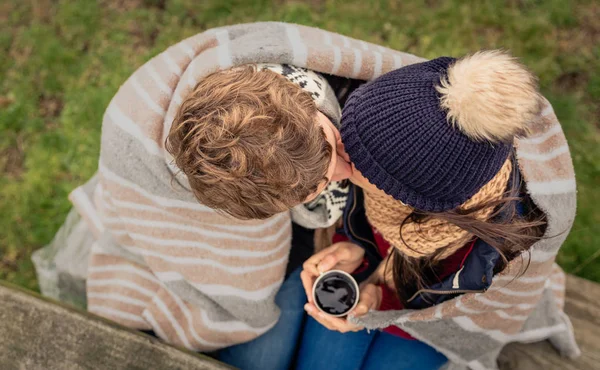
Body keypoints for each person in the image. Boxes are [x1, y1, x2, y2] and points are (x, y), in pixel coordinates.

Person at [296, 50, 578, 369]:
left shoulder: (493, 251)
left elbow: (456, 317)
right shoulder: (385, 175)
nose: (334, 161)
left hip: (427, 325)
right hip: (377, 292)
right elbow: (367, 228)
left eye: (353, 161)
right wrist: (354, 252)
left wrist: (383, 307)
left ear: (411, 197)